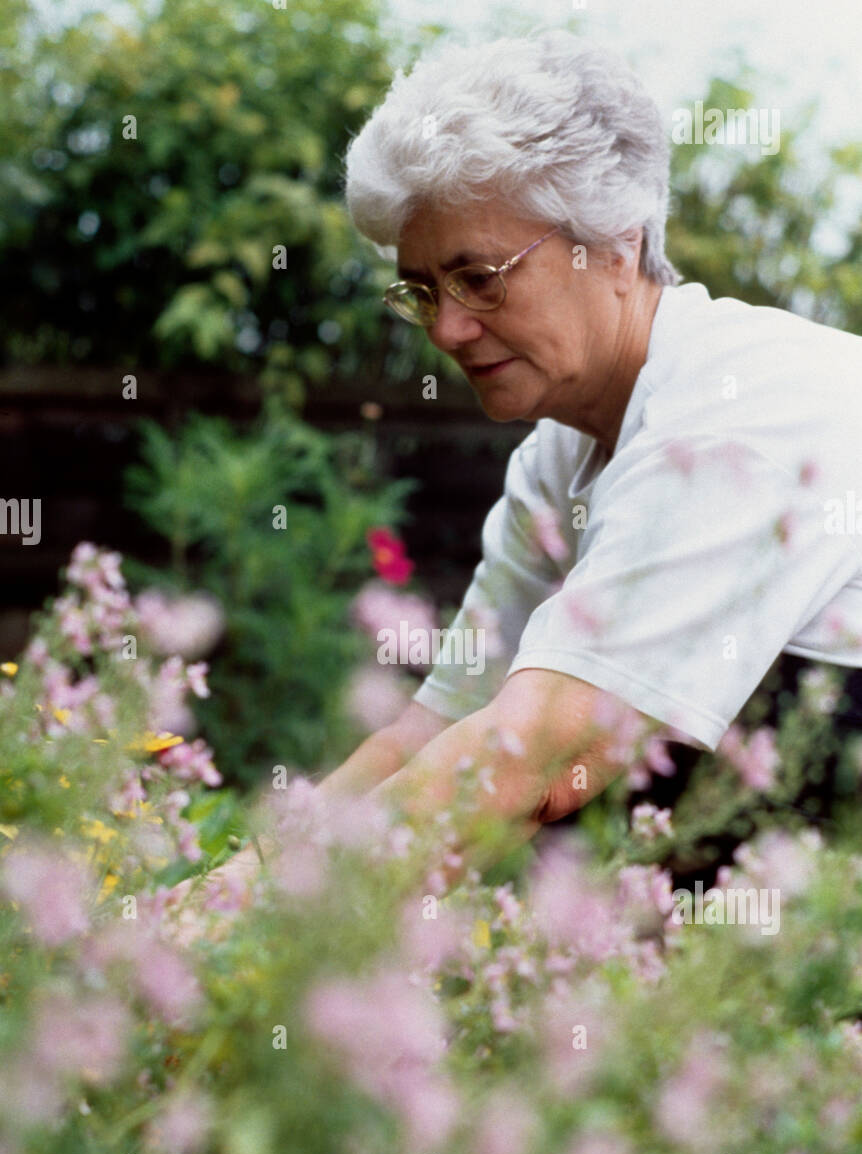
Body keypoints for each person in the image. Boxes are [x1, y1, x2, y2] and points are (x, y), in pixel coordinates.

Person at [233, 30, 862, 888]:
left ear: (616, 245)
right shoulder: (558, 458)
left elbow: (525, 762)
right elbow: (427, 731)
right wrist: (224, 890)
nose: (448, 331)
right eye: (422, 292)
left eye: (481, 277)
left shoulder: (735, 413)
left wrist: (251, 923)